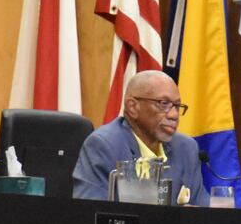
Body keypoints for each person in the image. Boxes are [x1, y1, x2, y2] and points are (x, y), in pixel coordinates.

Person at [72, 70, 208, 205]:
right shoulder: (104, 145)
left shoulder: (186, 148)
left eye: (177, 106)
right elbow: (90, 214)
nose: (174, 115)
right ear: (133, 107)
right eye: (163, 104)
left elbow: (202, 212)